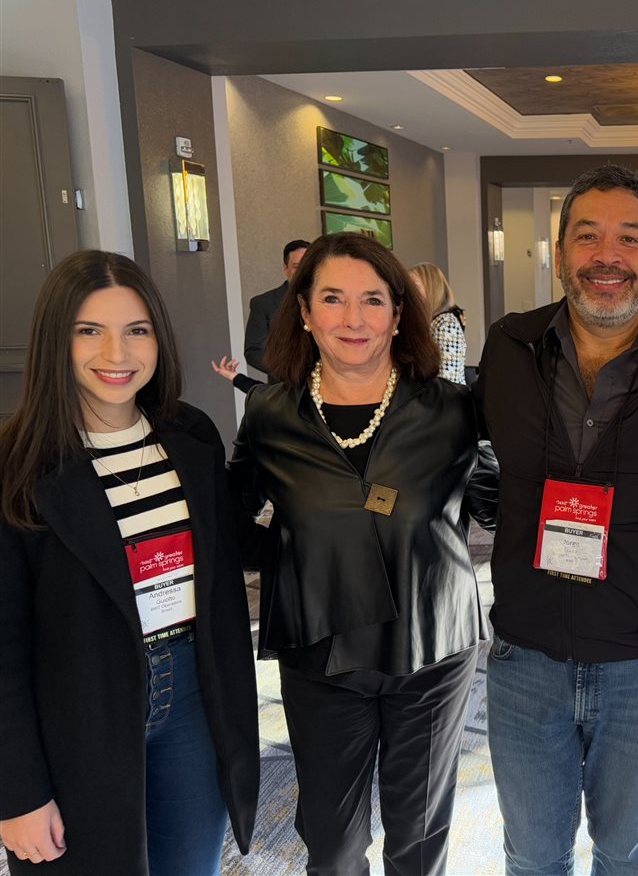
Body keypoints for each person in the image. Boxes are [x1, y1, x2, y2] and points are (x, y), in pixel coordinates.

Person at [473, 163, 638, 875]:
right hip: (526, 656)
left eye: (628, 238)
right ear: (560, 255)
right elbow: (483, 471)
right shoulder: (509, 349)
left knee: (627, 851)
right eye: (587, 236)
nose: (606, 257)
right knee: (532, 854)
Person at [228, 233, 494, 876]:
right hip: (321, 650)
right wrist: (296, 556)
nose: (353, 319)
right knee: (333, 840)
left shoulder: (453, 410)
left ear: (400, 314)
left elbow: (497, 506)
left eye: (372, 300)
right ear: (305, 311)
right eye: (333, 299)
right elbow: (233, 524)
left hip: (431, 645)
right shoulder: (270, 412)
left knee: (419, 830)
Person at [0, 251, 259, 875]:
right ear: (55, 340)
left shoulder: (190, 435)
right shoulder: (17, 467)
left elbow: (229, 556)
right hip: (79, 708)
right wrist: (17, 794)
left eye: (136, 331)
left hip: (193, 694)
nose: (117, 354)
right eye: (89, 331)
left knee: (190, 866)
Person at [245, 238, 309, 375]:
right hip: (285, 387)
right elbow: (254, 351)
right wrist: (288, 371)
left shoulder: (331, 301)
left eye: (308, 266)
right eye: (297, 266)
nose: (304, 271)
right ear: (286, 269)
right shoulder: (263, 303)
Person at [410, 261, 468, 385]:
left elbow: (448, 380)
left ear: (431, 288)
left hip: (445, 401)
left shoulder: (446, 325)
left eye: (414, 287)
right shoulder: (434, 322)